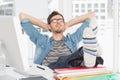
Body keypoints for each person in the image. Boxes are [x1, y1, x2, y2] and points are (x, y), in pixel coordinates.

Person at [19, 11, 103, 69]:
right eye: (54, 21)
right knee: (63, 60)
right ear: (49, 25)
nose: (58, 22)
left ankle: (88, 59)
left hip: (69, 72)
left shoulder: (72, 39)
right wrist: (45, 26)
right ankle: (87, 52)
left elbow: (91, 16)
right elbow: (22, 16)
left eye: (60, 20)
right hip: (50, 70)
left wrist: (68, 24)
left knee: (76, 60)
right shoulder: (41, 40)